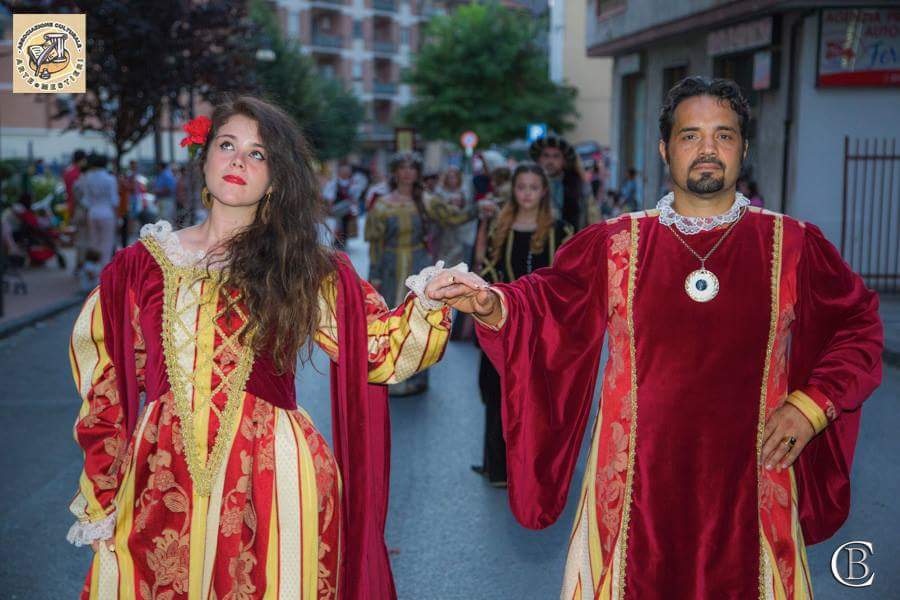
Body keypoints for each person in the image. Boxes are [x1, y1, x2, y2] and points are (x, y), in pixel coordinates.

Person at [429, 77, 883, 598]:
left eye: (724, 136)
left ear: (744, 148)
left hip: (755, 484)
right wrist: (492, 303)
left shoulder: (793, 244)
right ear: (665, 149)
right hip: (630, 493)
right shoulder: (617, 242)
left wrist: (810, 406)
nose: (708, 150)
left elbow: (860, 324)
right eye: (691, 136)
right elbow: (546, 304)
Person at [66, 96, 459, 599]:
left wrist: (429, 300)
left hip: (273, 479)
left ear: (274, 180)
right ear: (204, 157)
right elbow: (107, 389)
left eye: (258, 154)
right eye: (227, 145)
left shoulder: (304, 266)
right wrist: (103, 488)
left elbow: (377, 349)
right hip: (159, 481)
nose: (237, 160)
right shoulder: (136, 267)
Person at [474, 163, 572, 487]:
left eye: (533, 187)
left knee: (539, 398)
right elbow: (487, 274)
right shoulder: (499, 228)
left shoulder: (561, 230)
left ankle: (536, 469)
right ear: (513, 191)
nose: (527, 193)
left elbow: (568, 279)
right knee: (496, 392)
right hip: (503, 324)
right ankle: (497, 466)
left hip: (544, 327)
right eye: (521, 187)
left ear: (543, 191)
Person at [365, 152, 475, 396]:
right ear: (395, 172)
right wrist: (374, 275)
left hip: (418, 265)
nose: (406, 172)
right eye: (402, 168)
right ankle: (388, 372)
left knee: (421, 317)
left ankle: (416, 377)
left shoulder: (426, 200)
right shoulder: (382, 204)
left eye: (411, 168)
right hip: (391, 266)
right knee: (389, 318)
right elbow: (375, 244)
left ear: (417, 173)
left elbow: (454, 217)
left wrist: (479, 208)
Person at [530, 135, 591, 231]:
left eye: (556, 156)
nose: (550, 161)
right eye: (546, 156)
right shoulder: (527, 184)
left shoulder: (578, 187)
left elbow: (591, 218)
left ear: (564, 161)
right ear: (539, 159)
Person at [73, 153, 119, 266]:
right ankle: (105, 272)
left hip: (92, 214)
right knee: (107, 244)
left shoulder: (88, 178)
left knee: (94, 243)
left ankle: (92, 270)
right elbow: (114, 201)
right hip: (107, 214)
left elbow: (86, 200)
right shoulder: (110, 179)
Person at [322, 162, 363, 249]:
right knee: (336, 226)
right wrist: (330, 208)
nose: (346, 173)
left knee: (346, 226)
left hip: (347, 210)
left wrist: (355, 207)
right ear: (339, 172)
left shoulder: (353, 183)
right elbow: (329, 197)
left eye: (347, 171)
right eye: (343, 171)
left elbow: (355, 197)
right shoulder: (334, 183)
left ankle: (343, 242)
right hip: (337, 210)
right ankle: (337, 242)